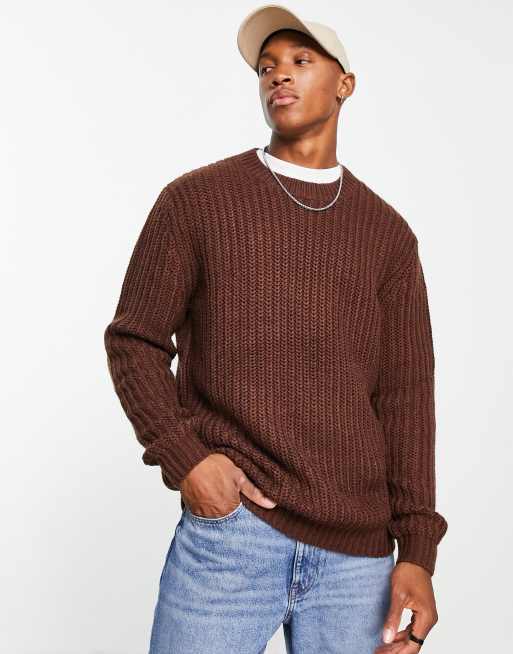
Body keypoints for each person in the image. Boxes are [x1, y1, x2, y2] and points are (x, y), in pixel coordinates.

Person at [104, 5, 448, 653]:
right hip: (233, 541)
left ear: (344, 85)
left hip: (358, 562)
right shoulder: (197, 201)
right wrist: (187, 460)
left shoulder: (387, 236)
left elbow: (405, 399)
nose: (278, 76)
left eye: (300, 61)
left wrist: (417, 554)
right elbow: (134, 341)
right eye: (266, 67)